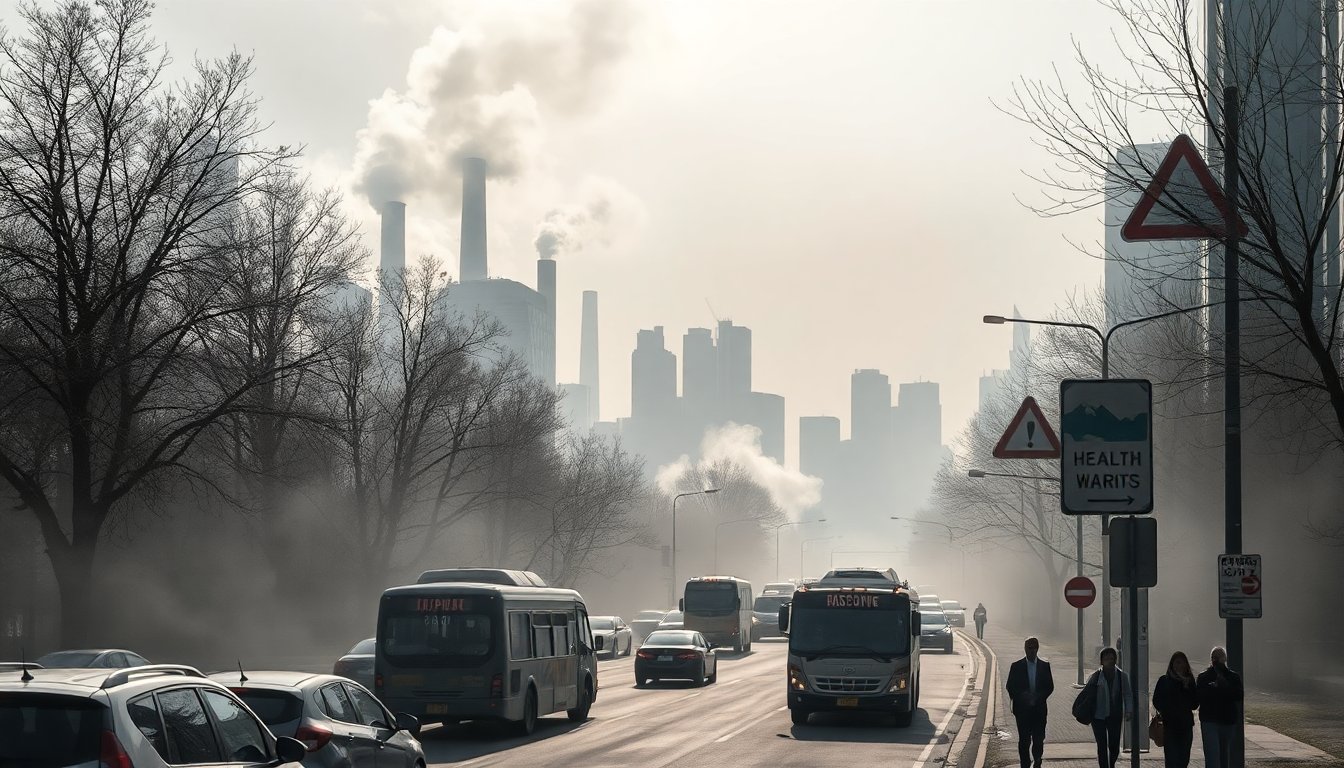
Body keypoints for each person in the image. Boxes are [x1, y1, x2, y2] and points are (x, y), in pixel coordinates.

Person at [1005, 637, 1055, 768]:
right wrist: (1023, 696)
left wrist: (1038, 697)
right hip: (1022, 710)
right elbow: (1010, 686)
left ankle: (1037, 759)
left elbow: (1050, 686)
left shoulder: (1045, 666)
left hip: (1039, 709)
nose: (1031, 651)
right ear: (1025, 649)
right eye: (1029, 648)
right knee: (1024, 740)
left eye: (1034, 648)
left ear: (1037, 649)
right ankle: (1025, 764)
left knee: (1038, 739)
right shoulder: (1016, 666)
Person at [1081, 646, 1131, 768]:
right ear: (1101, 661)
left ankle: (1112, 764)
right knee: (1101, 745)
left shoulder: (1122, 676)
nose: (1110, 661)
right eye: (1107, 658)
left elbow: (1128, 695)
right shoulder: (1095, 676)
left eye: (1112, 658)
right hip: (1098, 716)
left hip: (1114, 715)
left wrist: (1129, 710)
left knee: (1114, 746)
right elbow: (1087, 695)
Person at [1197, 646, 1243, 768]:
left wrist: (1224, 686)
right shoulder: (1204, 677)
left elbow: (1238, 696)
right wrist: (1214, 688)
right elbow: (1200, 696)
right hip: (1209, 720)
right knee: (1212, 755)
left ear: (1225, 658)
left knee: (1224, 755)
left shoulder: (1233, 677)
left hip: (1227, 721)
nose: (1215, 660)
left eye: (1218, 657)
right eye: (1213, 657)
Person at [1153, 650, 1199, 768]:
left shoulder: (1189, 682)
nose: (1180, 666)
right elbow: (1156, 701)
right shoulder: (1164, 680)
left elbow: (1195, 704)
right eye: (1177, 663)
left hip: (1186, 726)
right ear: (1172, 665)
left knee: (1183, 759)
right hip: (1170, 726)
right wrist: (1167, 709)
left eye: (1183, 663)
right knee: (1172, 759)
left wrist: (1186, 689)